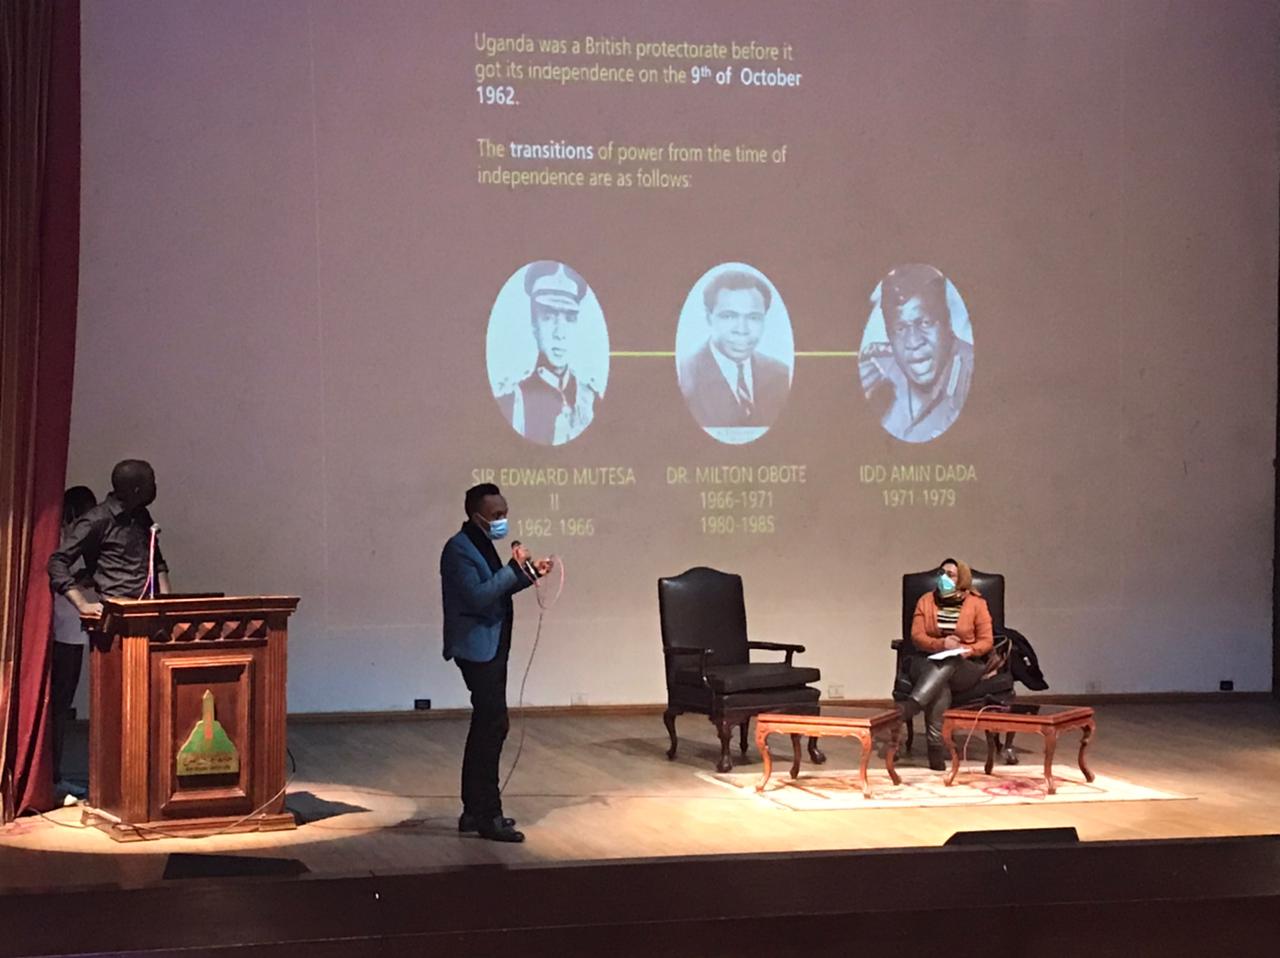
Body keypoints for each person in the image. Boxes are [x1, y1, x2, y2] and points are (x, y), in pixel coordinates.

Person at [440, 483, 553, 842]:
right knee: (492, 726)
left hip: (493, 645)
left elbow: (497, 588)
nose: (503, 520)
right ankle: (489, 815)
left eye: (505, 513)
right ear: (477, 516)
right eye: (496, 515)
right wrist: (513, 568)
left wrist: (529, 574)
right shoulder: (459, 549)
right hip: (476, 649)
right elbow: (477, 596)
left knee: (487, 725)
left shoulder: (481, 543)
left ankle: (474, 811)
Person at [859, 264, 973, 443]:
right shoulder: (875, 372)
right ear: (889, 335)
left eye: (925, 323)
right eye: (900, 328)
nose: (913, 342)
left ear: (947, 322)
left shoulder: (974, 374)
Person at [899, 558, 993, 770]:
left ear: (962, 579)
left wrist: (968, 650)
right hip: (926, 661)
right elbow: (916, 636)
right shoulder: (926, 600)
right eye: (942, 573)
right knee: (940, 685)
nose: (944, 578)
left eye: (950, 574)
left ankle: (912, 706)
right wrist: (941, 644)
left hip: (965, 665)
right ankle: (935, 748)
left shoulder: (977, 604)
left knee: (950, 659)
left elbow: (987, 641)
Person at [497, 261, 602, 446]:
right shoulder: (512, 403)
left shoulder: (591, 401)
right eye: (547, 317)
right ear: (534, 324)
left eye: (569, 318)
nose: (559, 333)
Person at [48, 460, 170, 616]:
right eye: (151, 483)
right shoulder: (96, 520)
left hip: (148, 611)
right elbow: (57, 562)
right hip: (116, 614)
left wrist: (166, 603)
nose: (154, 487)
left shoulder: (141, 515)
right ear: (136, 490)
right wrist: (82, 604)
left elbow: (156, 562)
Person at [679, 268, 791, 430]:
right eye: (729, 316)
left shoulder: (781, 375)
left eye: (753, 317)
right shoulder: (684, 377)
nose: (742, 330)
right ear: (709, 318)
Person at [48, 485, 98, 797]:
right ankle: (52, 776)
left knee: (62, 703)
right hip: (63, 630)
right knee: (59, 704)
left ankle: (55, 774)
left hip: (74, 630)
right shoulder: (59, 541)